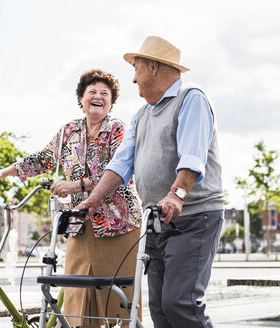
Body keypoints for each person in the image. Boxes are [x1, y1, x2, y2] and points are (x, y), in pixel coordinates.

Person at [77, 36, 225, 328]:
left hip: (194, 217)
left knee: (180, 302)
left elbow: (193, 157)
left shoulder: (191, 98)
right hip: (156, 220)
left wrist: (177, 195)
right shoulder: (142, 114)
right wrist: (92, 200)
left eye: (136, 68)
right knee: (158, 307)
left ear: (154, 67)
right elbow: (120, 164)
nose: (132, 79)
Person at [0, 69, 142, 327]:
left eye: (105, 93)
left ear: (111, 102)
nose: (98, 97)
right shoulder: (70, 131)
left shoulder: (118, 129)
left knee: (118, 301)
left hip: (119, 226)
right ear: (81, 98)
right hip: (80, 224)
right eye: (92, 91)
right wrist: (2, 173)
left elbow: (120, 171)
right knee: (75, 298)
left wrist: (76, 185)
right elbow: (42, 159)